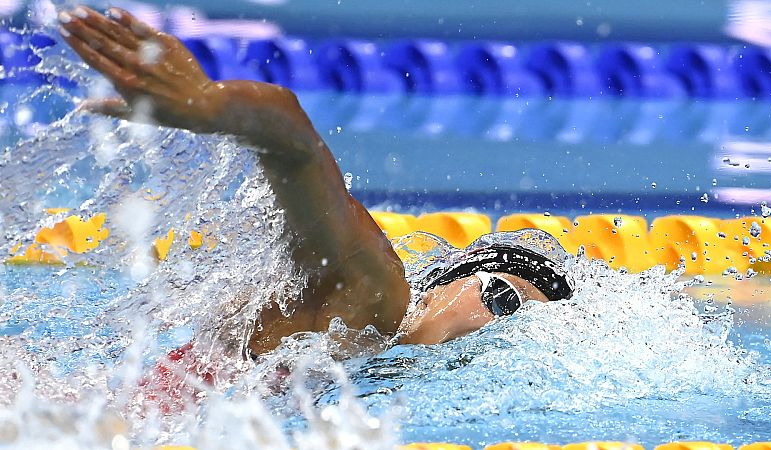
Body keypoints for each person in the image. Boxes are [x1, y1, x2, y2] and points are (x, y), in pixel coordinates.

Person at [56, 6, 574, 356]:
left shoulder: (370, 356)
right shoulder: (374, 294)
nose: (489, 318)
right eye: (498, 294)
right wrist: (210, 103)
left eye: (508, 317)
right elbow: (293, 137)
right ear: (443, 287)